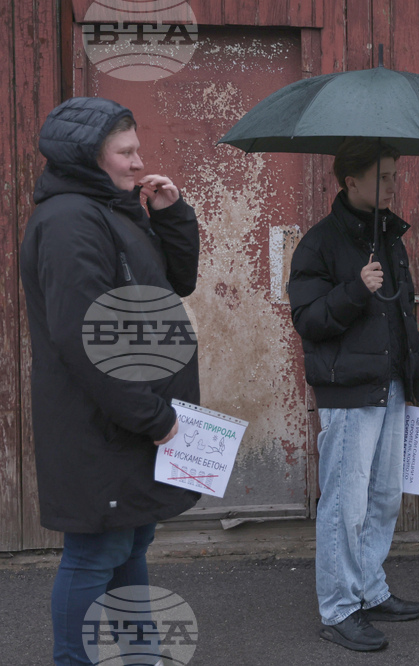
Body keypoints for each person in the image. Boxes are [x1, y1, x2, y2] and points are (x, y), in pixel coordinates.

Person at [20, 97, 201, 665]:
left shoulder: (112, 211)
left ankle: (139, 656)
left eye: (136, 150)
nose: (138, 162)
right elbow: (84, 340)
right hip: (100, 423)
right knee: (95, 552)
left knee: (130, 541)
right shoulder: (69, 222)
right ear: (88, 158)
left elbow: (176, 282)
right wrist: (154, 418)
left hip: (126, 418)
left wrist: (170, 216)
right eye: (125, 152)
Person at [288, 138, 419, 653]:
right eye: (383, 177)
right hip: (348, 392)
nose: (393, 185)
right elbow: (308, 319)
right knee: (345, 503)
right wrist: (356, 289)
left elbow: (404, 317)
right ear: (351, 180)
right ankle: (338, 608)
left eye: (395, 175)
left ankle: (370, 590)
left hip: (391, 387)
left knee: (382, 497)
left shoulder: (389, 237)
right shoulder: (319, 243)